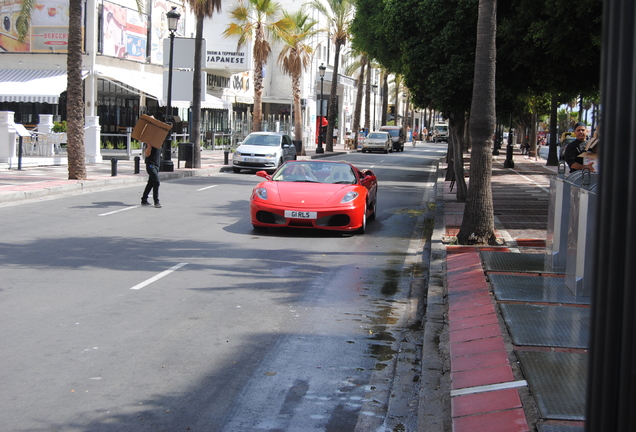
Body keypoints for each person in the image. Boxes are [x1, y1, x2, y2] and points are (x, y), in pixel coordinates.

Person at [141, 143, 162, 207]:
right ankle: (156, 201)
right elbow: (147, 154)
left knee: (150, 183)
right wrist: (149, 146)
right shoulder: (149, 142)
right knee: (156, 182)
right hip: (150, 165)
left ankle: (144, 199)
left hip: (157, 165)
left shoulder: (159, 142)